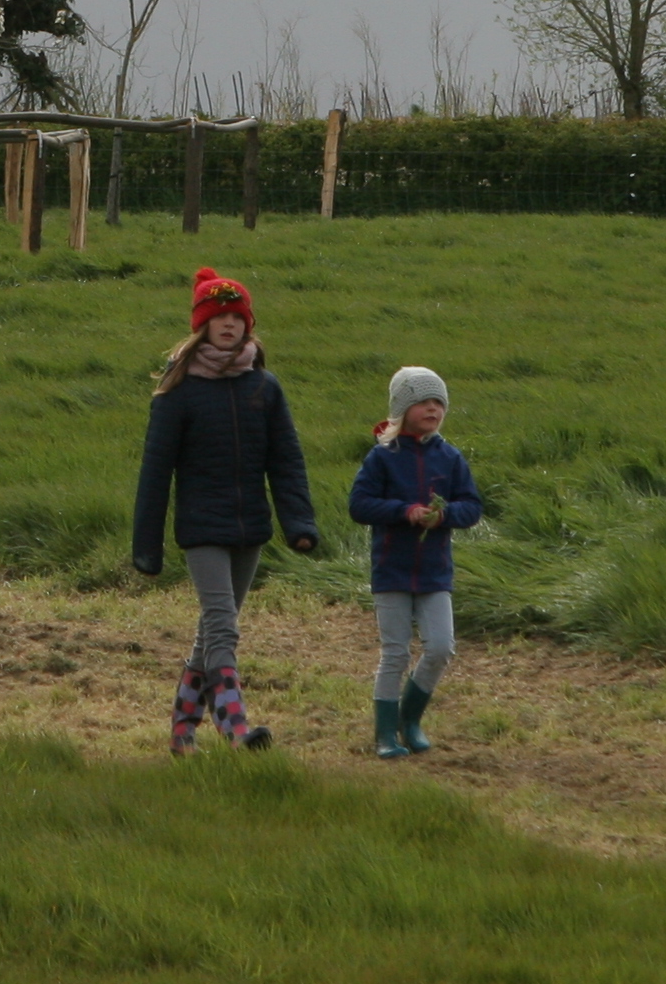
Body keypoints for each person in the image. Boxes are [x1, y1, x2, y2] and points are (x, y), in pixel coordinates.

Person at [129, 267, 318, 754]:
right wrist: (146, 548)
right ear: (202, 325)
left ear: (248, 324)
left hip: (250, 527)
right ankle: (235, 728)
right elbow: (154, 474)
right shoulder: (178, 393)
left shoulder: (265, 388)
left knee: (211, 631)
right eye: (220, 317)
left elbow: (287, 460)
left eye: (238, 316)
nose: (230, 324)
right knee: (224, 626)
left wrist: (298, 523)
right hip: (202, 529)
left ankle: (181, 730)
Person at [348, 367, 486, 758]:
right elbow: (359, 505)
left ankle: (411, 719)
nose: (433, 408)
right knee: (395, 653)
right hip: (391, 569)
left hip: (435, 572)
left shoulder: (450, 457)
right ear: (403, 407)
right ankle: (385, 735)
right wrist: (403, 511)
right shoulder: (381, 457)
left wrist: (444, 515)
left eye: (439, 402)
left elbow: (472, 507)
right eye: (425, 401)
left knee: (441, 647)